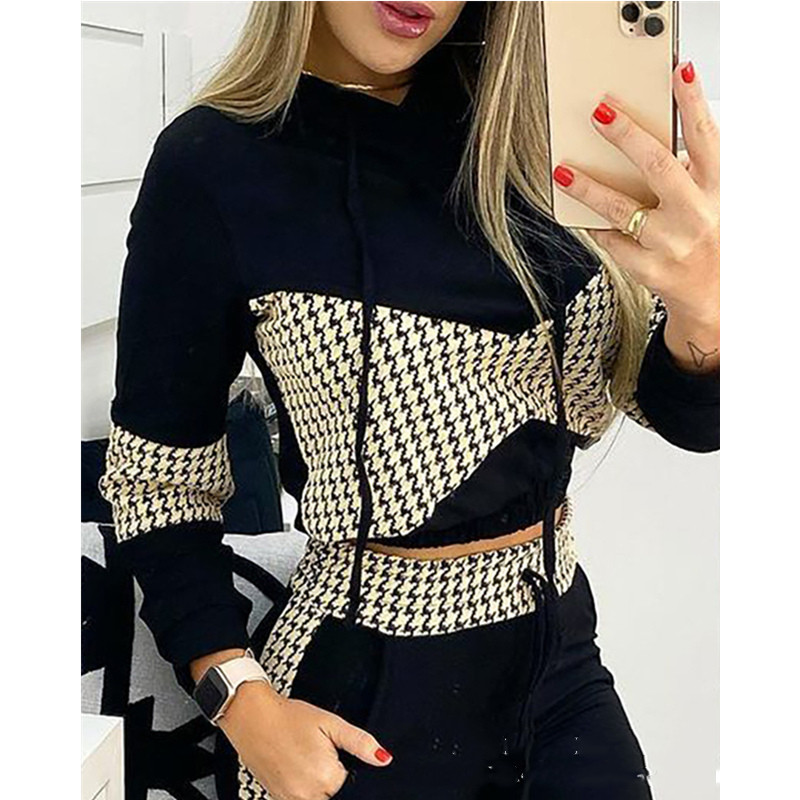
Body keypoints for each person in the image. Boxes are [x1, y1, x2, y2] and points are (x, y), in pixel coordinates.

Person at [97, 2, 720, 799]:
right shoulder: (214, 164)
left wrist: (704, 310)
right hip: (361, 704)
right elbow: (158, 485)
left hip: (561, 669)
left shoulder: (538, 141)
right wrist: (240, 700)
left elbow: (683, 416)